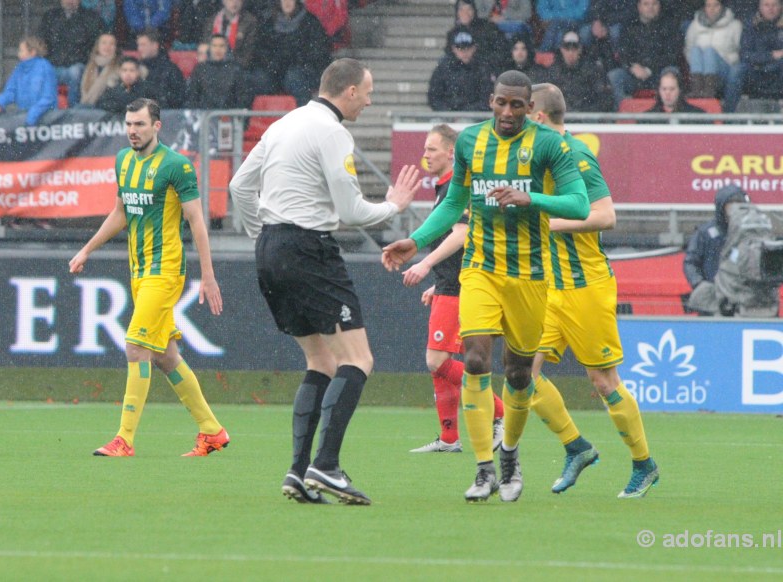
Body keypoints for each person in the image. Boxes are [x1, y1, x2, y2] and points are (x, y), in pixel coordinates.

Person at [382, 70, 590, 503]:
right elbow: (456, 203)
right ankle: (483, 469)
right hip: (479, 268)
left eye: (517, 105)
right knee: (475, 359)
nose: (508, 112)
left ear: (530, 107)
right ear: (491, 101)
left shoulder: (549, 145)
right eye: (501, 103)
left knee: (518, 374)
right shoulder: (471, 142)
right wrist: (416, 241)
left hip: (530, 274)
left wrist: (533, 198)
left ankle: (510, 457)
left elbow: (579, 204)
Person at [229, 58, 420, 505]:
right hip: (308, 249)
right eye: (368, 92)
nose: (370, 100)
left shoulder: (284, 123)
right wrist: (393, 205)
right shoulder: (333, 132)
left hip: (271, 249)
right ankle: (327, 465)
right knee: (359, 359)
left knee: (321, 363)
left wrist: (268, 238)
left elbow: (239, 186)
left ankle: (297, 472)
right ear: (349, 91)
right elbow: (352, 212)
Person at [69, 97, 228, 458]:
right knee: (165, 356)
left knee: (136, 347)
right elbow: (120, 213)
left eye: (139, 124)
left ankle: (124, 439)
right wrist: (87, 249)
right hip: (138, 271)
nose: (132, 131)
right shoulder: (123, 160)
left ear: (157, 126)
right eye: (128, 124)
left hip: (165, 270)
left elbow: (196, 221)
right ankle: (212, 431)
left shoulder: (177, 166)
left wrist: (208, 275)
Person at [528, 83, 660, 499]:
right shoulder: (537, 156)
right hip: (552, 287)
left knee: (603, 381)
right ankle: (577, 447)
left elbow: (606, 215)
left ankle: (644, 464)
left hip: (586, 285)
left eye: (524, 115)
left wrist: (551, 222)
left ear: (540, 118)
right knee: (522, 375)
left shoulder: (576, 155)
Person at [401, 124, 505, 454]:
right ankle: (448, 437)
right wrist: (438, 280)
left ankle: (500, 414)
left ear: (450, 153)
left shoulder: (457, 189)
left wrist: (425, 263)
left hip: (460, 286)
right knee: (439, 360)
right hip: (449, 284)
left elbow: (462, 233)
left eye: (432, 149)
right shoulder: (443, 188)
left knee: (437, 360)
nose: (425, 155)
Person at [684, 184, 751, 314]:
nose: (735, 210)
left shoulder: (750, 232)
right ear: (721, 207)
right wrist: (699, 285)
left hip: (744, 300)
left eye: (740, 205)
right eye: (731, 205)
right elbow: (690, 262)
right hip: (713, 300)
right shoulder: (706, 233)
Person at [254, 0, 332, 106]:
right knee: (259, 79)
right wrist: (273, 64)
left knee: (294, 78)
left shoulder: (310, 22)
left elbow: (318, 52)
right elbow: (261, 51)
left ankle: (303, 114)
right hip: (275, 71)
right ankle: (257, 119)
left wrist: (295, 61)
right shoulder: (269, 23)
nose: (287, 3)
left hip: (304, 70)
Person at [607, 0, 682, 107]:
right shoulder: (629, 25)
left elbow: (672, 55)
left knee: (672, 72)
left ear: (660, 6)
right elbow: (623, 53)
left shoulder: (669, 26)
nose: (650, 7)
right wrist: (631, 67)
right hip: (635, 75)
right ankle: (624, 115)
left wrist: (649, 69)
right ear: (639, 7)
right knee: (614, 76)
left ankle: (668, 114)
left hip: (659, 74)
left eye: (654, 4)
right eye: (646, 4)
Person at [39, 0, 105, 108]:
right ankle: (48, 110)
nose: (70, 1)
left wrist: (81, 59)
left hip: (80, 64)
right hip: (54, 63)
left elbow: (94, 47)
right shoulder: (50, 16)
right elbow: (41, 42)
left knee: (74, 72)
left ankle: (72, 110)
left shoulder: (91, 18)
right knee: (43, 71)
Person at [685, 0, 743, 112]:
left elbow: (739, 51)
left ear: (722, 7)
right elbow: (688, 49)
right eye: (708, 5)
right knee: (696, 50)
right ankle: (697, 89)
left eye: (716, 5)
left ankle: (709, 90)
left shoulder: (734, 25)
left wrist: (722, 59)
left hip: (725, 68)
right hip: (700, 70)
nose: (712, 9)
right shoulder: (695, 25)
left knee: (709, 51)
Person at [0, 36, 57, 126]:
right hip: (26, 117)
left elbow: (48, 97)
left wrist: (33, 114)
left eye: (21, 51)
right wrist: (0, 102)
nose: (18, 54)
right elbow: (11, 91)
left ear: (32, 52)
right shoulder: (19, 69)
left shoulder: (45, 67)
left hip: (45, 120)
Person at [543, 30, 613, 111]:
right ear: (561, 49)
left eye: (574, 49)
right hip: (562, 119)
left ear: (580, 49)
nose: (570, 53)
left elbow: (604, 99)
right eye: (567, 48)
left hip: (587, 119)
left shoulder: (592, 70)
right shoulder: (553, 72)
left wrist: (584, 113)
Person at [429, 27, 495, 112]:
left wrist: (467, 112)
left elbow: (486, 98)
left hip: (474, 117)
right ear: (453, 49)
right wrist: (448, 112)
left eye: (468, 48)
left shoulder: (482, 69)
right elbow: (434, 97)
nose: (464, 52)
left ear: (474, 48)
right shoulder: (443, 69)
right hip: (446, 116)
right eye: (460, 49)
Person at [445, 0, 511, 72]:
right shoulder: (453, 34)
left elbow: (501, 50)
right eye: (461, 9)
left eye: (469, 9)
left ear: (474, 11)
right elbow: (450, 56)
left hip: (485, 71)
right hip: (461, 72)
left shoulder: (487, 27)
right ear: (457, 13)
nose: (465, 13)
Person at [187, 33, 248, 108]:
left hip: (229, 116)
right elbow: (193, 97)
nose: (218, 49)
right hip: (205, 116)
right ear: (210, 48)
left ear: (227, 48)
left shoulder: (236, 69)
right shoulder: (200, 69)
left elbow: (242, 98)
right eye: (214, 46)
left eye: (221, 46)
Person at [739, 0, 783, 100]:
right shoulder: (751, 25)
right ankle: (728, 112)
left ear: (781, 7)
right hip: (756, 69)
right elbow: (745, 54)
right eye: (766, 5)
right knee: (738, 71)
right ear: (760, 7)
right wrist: (771, 55)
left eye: (774, 5)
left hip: (779, 69)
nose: (770, 8)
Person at [136, 29, 187, 108]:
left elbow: (178, 98)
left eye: (143, 45)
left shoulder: (170, 69)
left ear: (155, 45)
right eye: (138, 45)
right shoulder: (135, 68)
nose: (139, 49)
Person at [202, 0, 258, 69]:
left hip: (238, 68)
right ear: (223, 1)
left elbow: (248, 52)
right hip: (212, 66)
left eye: (238, 0)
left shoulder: (249, 21)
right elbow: (205, 46)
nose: (234, 3)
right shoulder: (212, 20)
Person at [643, 65, 708, 115]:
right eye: (664, 89)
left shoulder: (697, 116)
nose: (667, 93)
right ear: (659, 90)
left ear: (680, 90)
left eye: (672, 89)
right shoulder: (646, 119)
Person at [79, 32, 121, 107]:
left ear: (116, 48)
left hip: (104, 109)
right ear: (98, 46)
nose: (107, 46)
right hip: (85, 106)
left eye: (111, 44)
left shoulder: (120, 67)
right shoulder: (91, 65)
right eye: (104, 43)